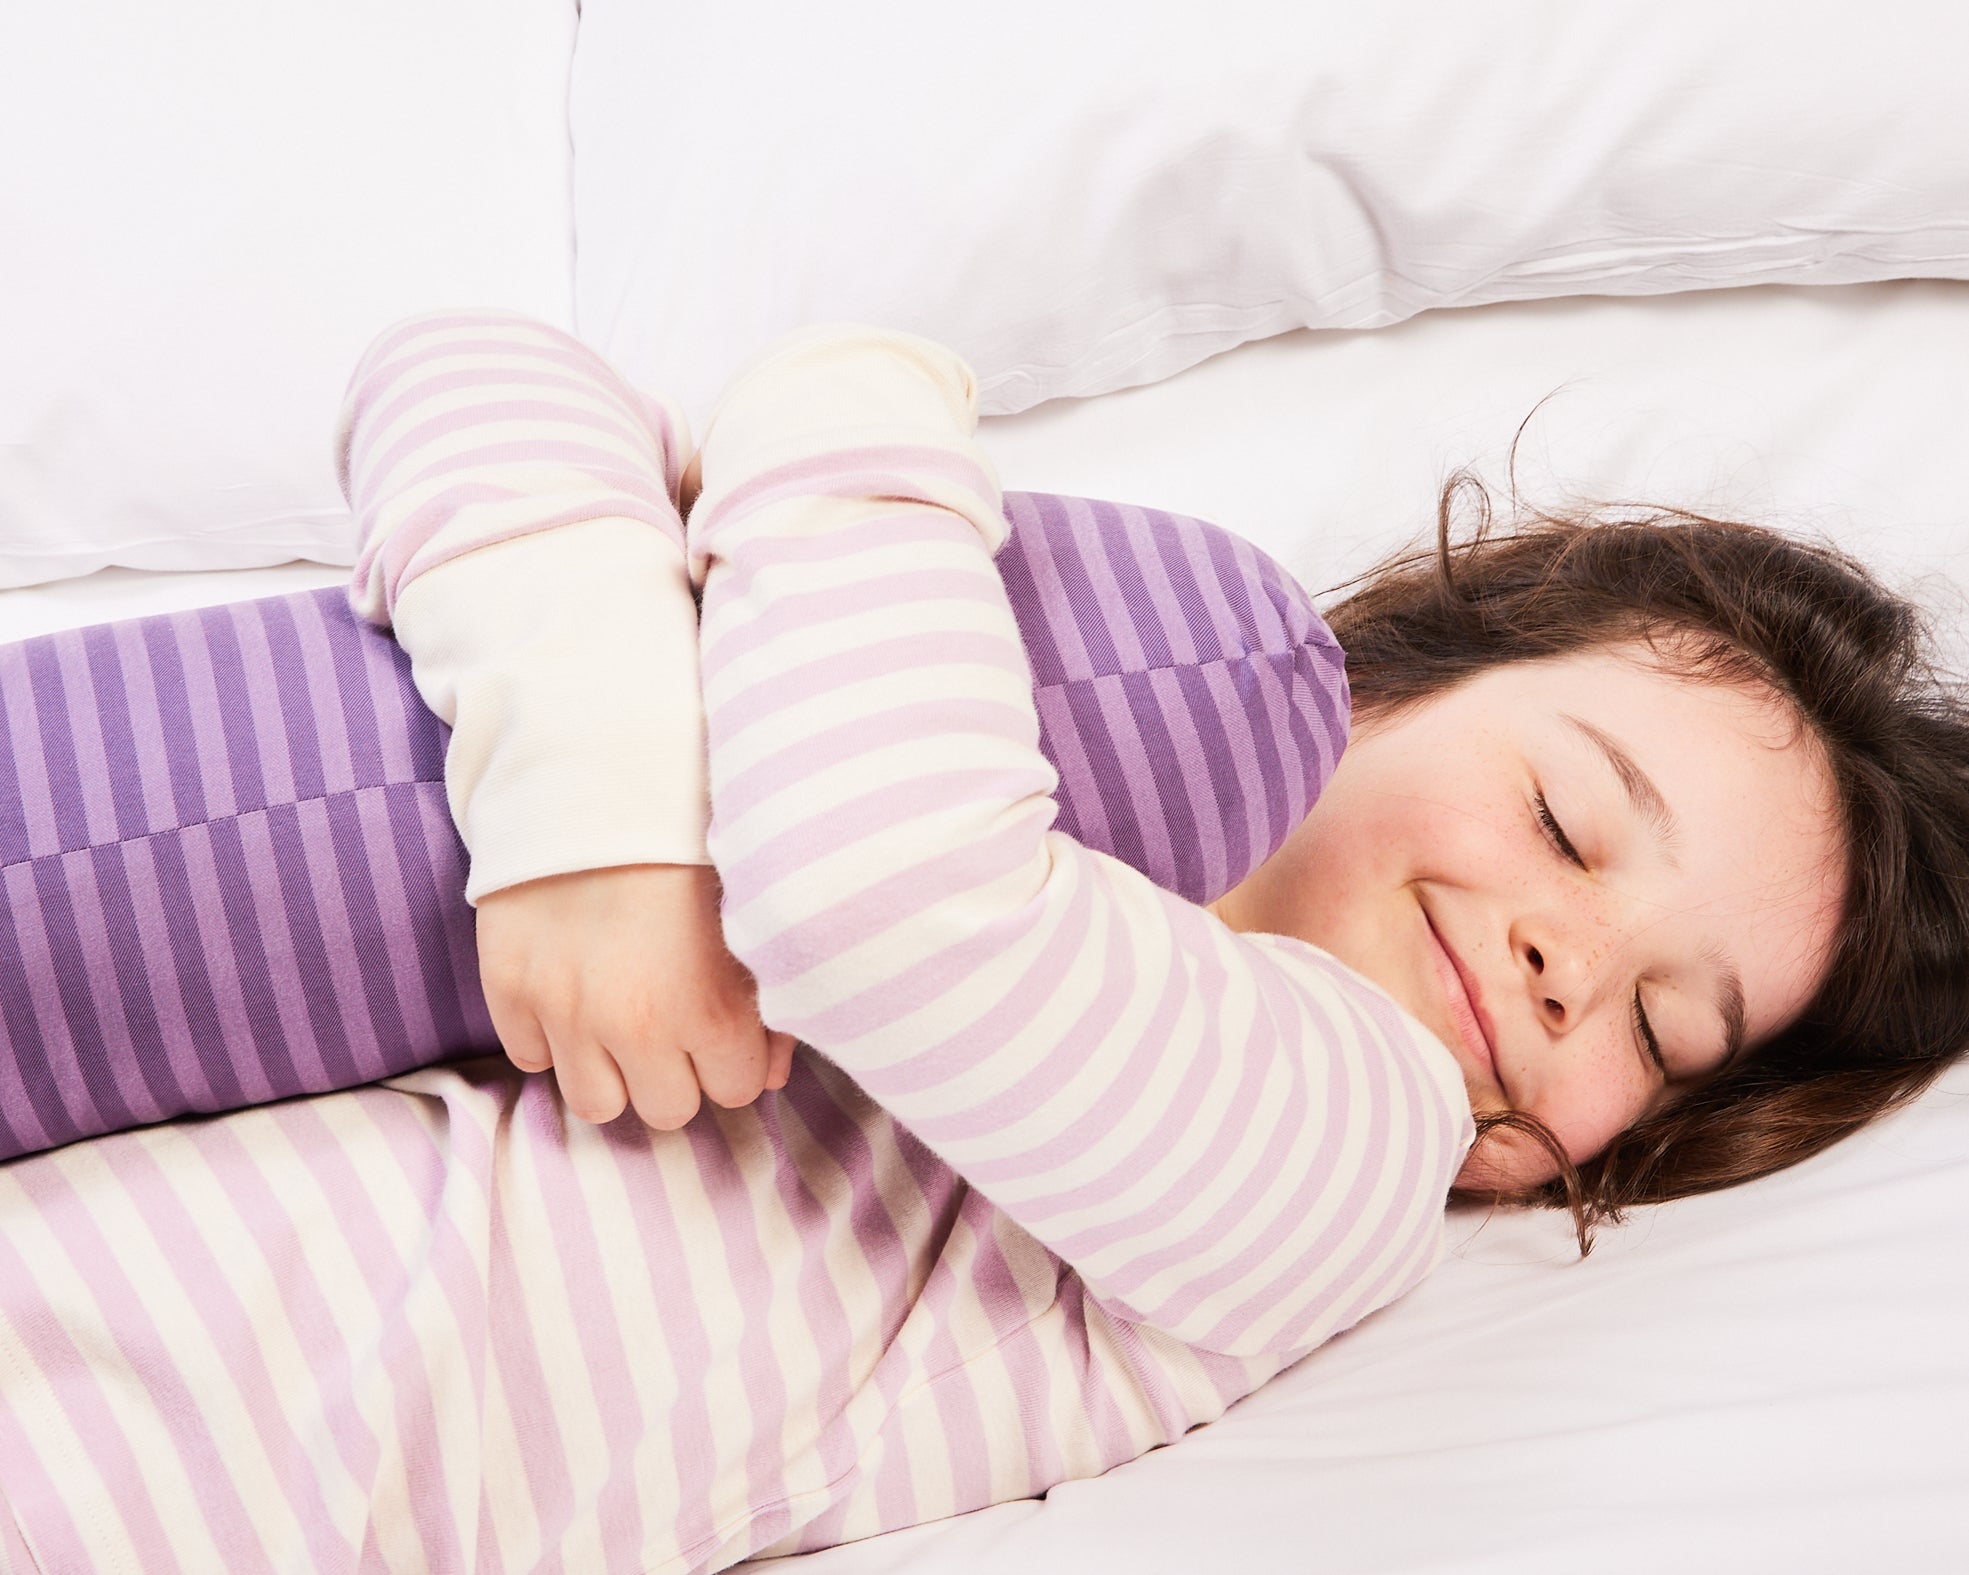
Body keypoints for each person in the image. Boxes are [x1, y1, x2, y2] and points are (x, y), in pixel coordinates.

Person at [0, 308, 1963, 1573]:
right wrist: (582, 721)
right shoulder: (974, 667)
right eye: (1568, 820)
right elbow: (467, 373)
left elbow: (880, 900)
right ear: (1376, 680)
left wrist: (841, 402)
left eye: (1666, 1023)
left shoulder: (1340, 1155)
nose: (1564, 967)